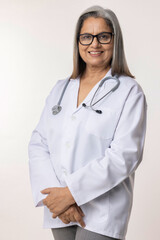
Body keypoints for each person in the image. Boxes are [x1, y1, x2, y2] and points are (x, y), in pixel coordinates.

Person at [28, 5, 147, 240]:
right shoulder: (60, 89)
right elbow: (38, 143)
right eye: (86, 37)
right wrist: (58, 199)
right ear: (78, 42)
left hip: (103, 213)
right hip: (60, 210)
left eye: (103, 36)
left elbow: (125, 155)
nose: (94, 44)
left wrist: (72, 193)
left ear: (115, 41)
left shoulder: (129, 91)